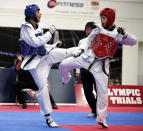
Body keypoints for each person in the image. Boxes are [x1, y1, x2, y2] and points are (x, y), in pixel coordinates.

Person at [59, 8, 137, 128]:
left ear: (110, 18)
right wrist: (81, 49)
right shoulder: (97, 29)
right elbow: (87, 40)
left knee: (103, 93)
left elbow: (133, 42)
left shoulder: (118, 33)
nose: (102, 20)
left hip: (101, 66)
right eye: (101, 18)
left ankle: (101, 119)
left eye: (104, 18)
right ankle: (66, 77)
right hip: (87, 58)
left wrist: (125, 35)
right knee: (63, 64)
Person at [19, 4, 80, 128]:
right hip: (35, 64)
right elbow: (36, 43)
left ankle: (81, 51)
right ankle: (48, 118)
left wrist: (53, 45)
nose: (40, 14)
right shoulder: (25, 28)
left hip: (45, 56)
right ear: (31, 14)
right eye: (38, 12)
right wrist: (50, 34)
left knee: (65, 52)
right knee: (43, 88)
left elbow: (42, 46)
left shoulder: (38, 26)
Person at [77, 22, 97, 118]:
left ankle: (99, 110)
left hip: (97, 70)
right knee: (87, 91)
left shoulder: (99, 41)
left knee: (99, 91)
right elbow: (78, 56)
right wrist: (77, 71)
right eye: (87, 29)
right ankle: (94, 110)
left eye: (91, 30)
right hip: (85, 69)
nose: (89, 32)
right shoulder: (82, 41)